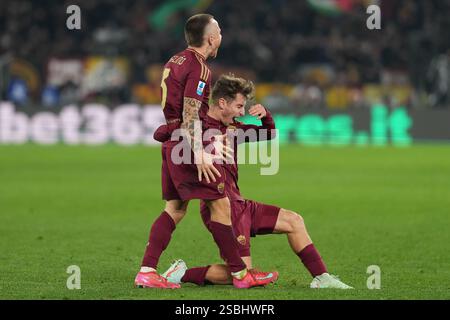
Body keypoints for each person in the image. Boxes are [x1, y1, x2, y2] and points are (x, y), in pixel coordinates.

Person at [158, 74, 353, 289]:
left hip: (241, 205)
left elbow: (269, 133)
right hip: (221, 209)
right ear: (222, 102)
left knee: (294, 221)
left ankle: (322, 278)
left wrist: (266, 115)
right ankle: (182, 274)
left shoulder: (233, 128)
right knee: (242, 273)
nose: (242, 112)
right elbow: (167, 135)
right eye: (240, 105)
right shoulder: (196, 129)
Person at [135, 14, 276, 289]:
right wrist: (198, 152)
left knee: (175, 208)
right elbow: (190, 113)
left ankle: (147, 270)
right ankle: (239, 274)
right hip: (189, 145)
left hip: (174, 141)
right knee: (221, 203)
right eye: (220, 32)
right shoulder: (200, 68)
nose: (222, 36)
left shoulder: (175, 60)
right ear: (211, 38)